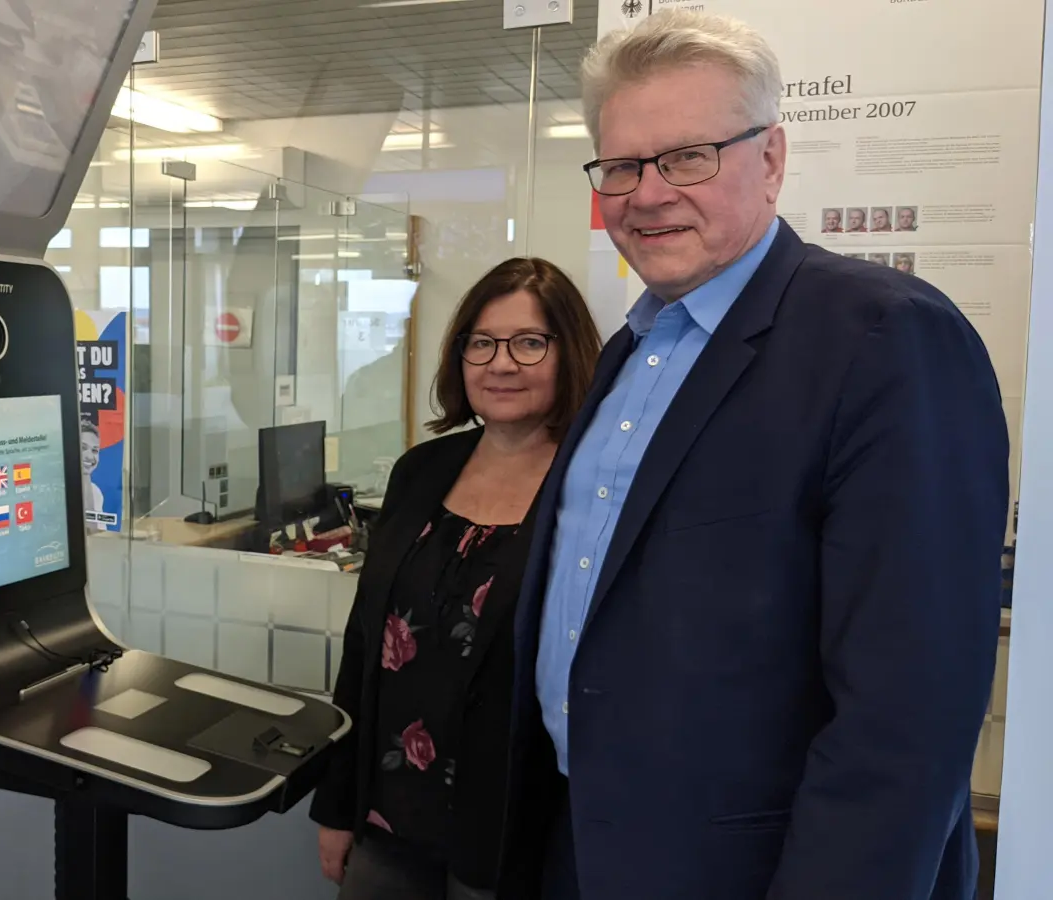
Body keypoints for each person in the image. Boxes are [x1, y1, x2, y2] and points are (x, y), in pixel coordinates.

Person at [502, 11, 1008, 900]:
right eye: (620, 166)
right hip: (585, 845)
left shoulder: (883, 338)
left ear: (771, 159)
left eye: (688, 156)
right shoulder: (628, 353)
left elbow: (906, 721)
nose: (646, 194)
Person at [310, 258, 601, 900]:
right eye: (482, 343)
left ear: (569, 351)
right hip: (387, 814)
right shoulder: (421, 470)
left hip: (515, 829)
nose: (501, 364)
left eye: (529, 343)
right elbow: (365, 645)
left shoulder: (594, 489)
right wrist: (336, 804)